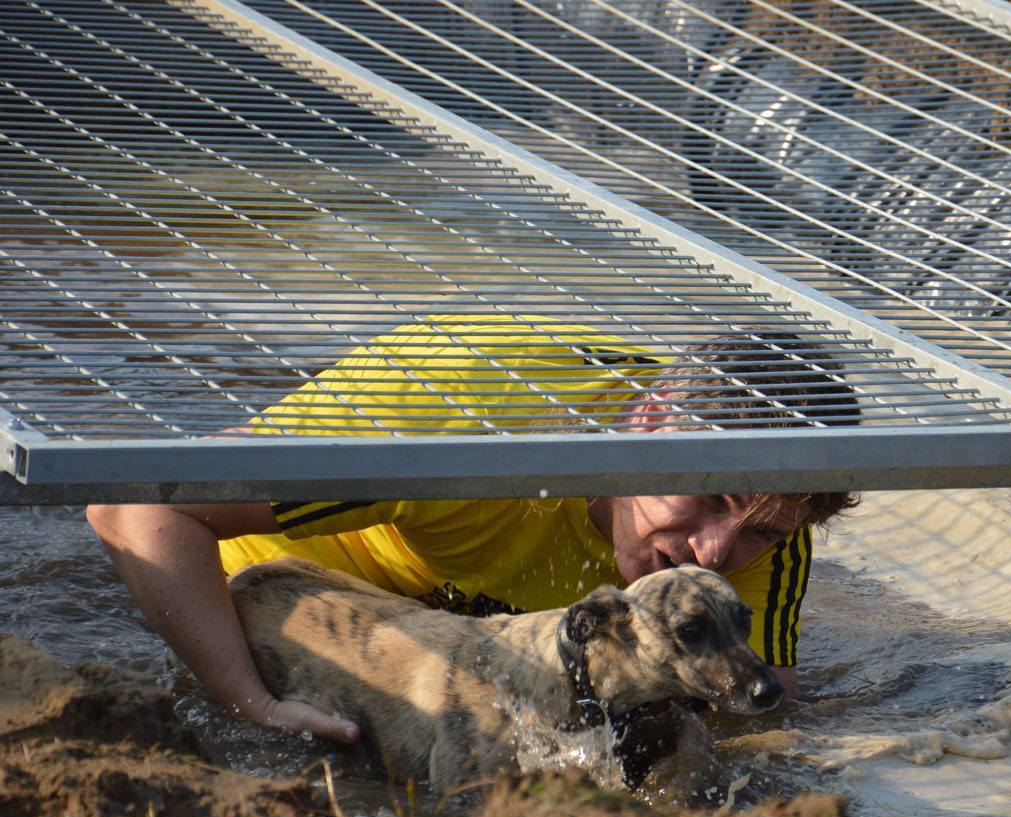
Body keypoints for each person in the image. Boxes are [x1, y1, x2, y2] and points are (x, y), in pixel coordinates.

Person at [86, 314, 859, 745]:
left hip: (458, 630)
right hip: (269, 604)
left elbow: (756, 709)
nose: (718, 551)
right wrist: (245, 702)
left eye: (758, 535)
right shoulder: (458, 422)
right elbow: (135, 503)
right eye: (709, 497)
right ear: (650, 421)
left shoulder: (768, 512)